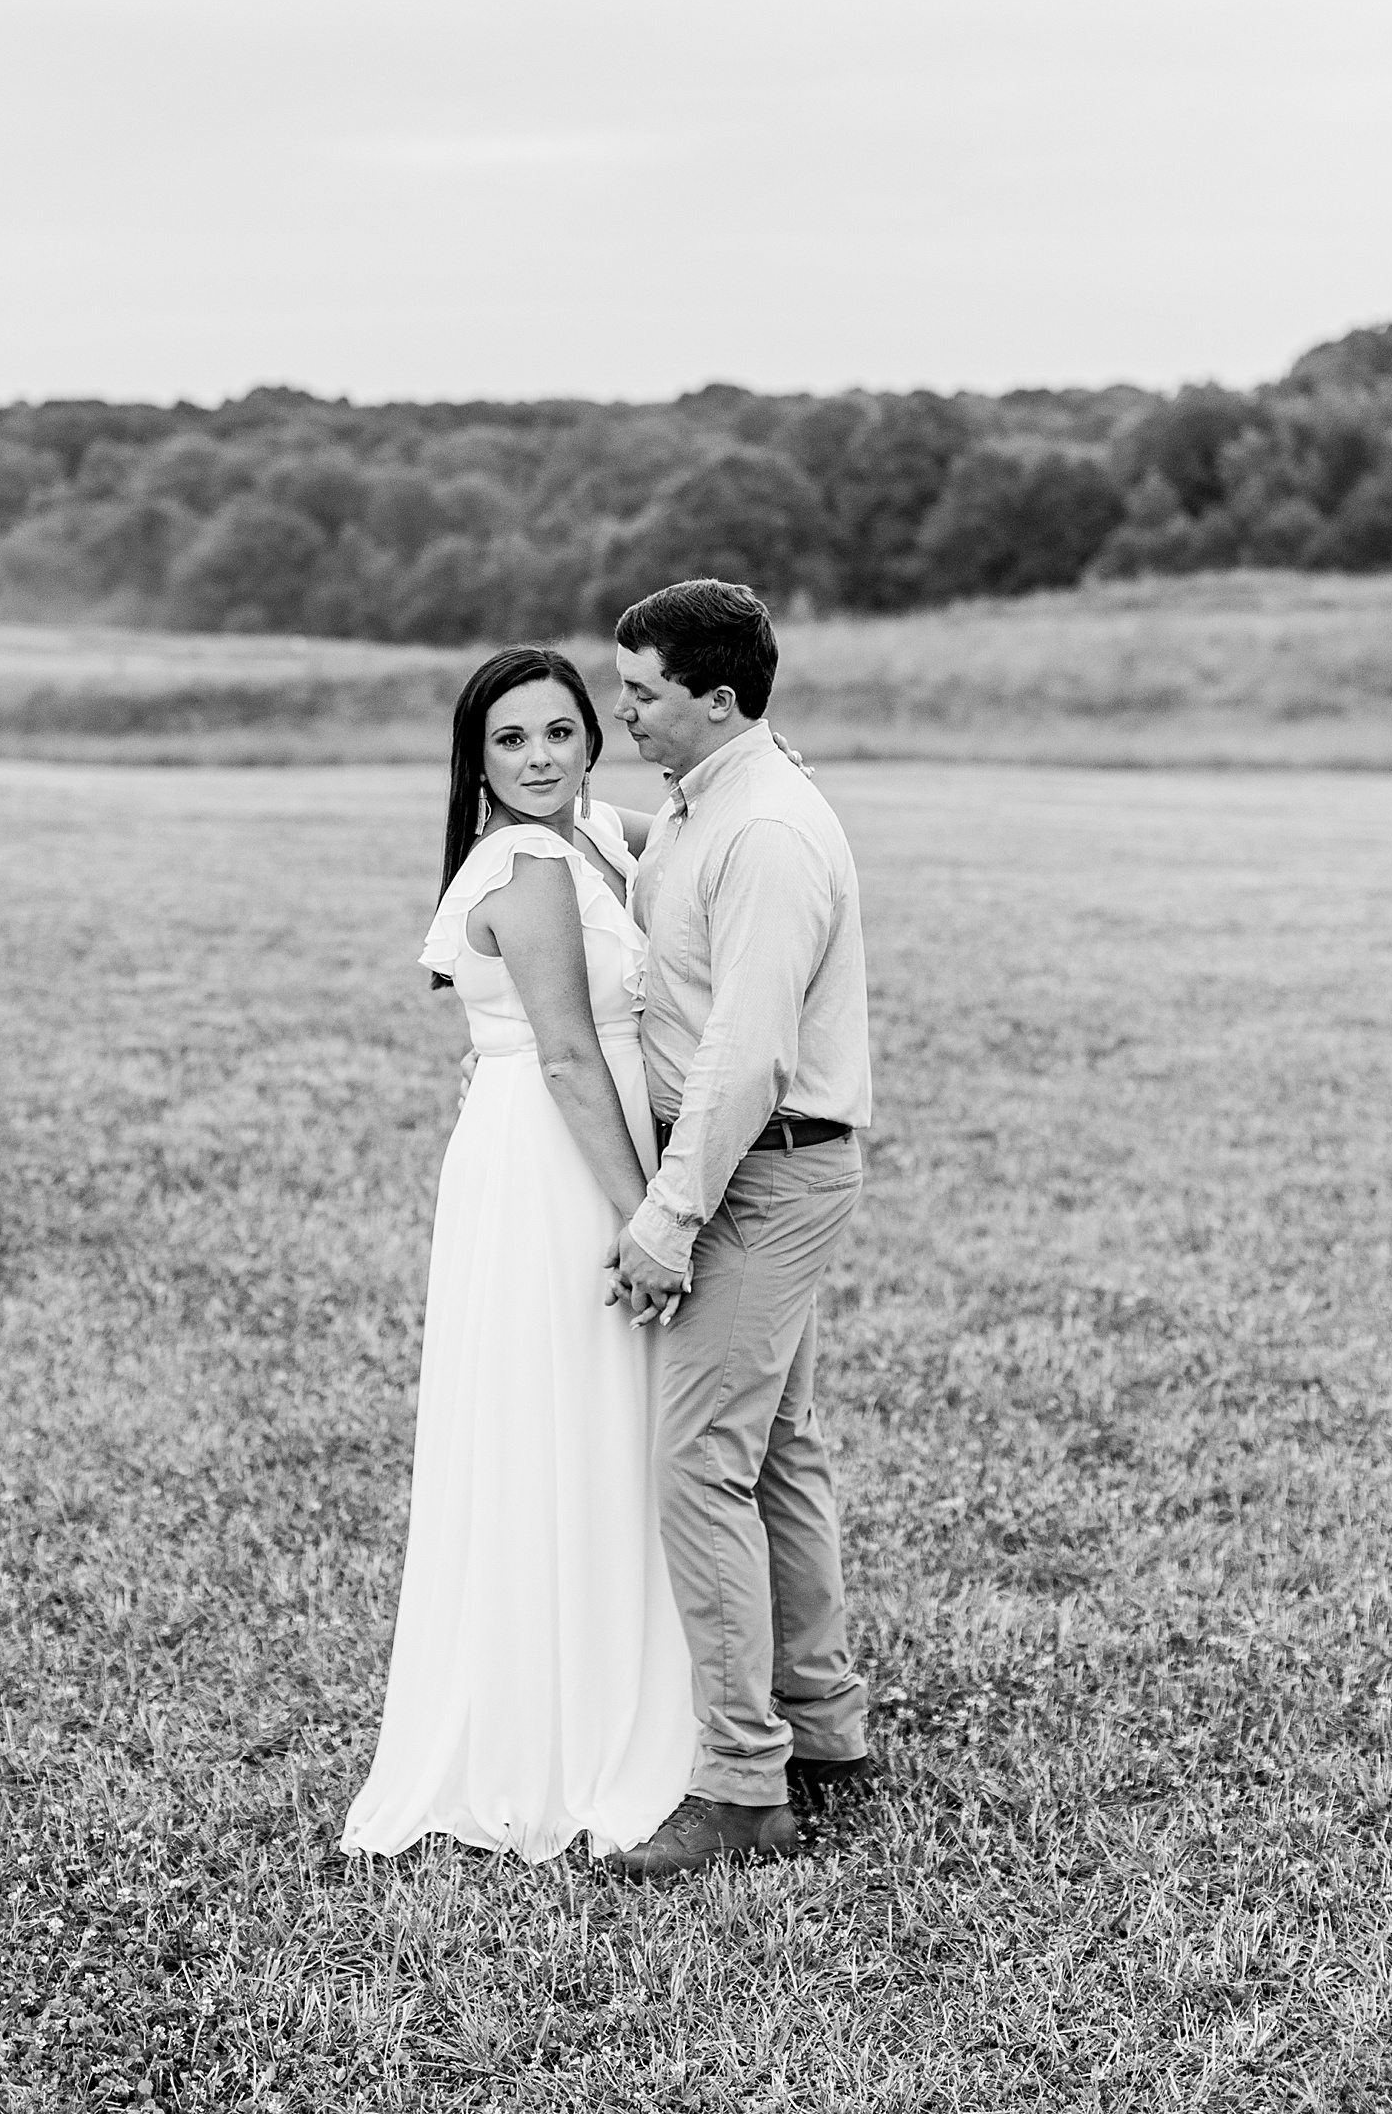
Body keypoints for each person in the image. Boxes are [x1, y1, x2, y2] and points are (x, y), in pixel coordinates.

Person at [339, 645, 697, 1864]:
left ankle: (632, 1690)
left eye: (559, 731)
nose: (541, 756)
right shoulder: (533, 861)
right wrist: (652, 1213)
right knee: (570, 1421)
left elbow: (696, 809)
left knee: (600, 1422)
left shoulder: (595, 827)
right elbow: (563, 1054)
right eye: (512, 740)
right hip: (559, 1160)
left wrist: (752, 769)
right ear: (476, 758)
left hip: (552, 1142)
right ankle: (567, 1729)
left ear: (591, 738)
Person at [602, 577, 873, 1885]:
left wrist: (669, 1211)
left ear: (717, 696)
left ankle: (741, 1782)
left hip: (763, 1174)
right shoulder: (714, 801)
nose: (623, 713)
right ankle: (825, 1736)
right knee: (779, 1455)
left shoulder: (766, 831)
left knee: (700, 1463)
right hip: (768, 1171)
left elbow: (748, 1051)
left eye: (643, 691)